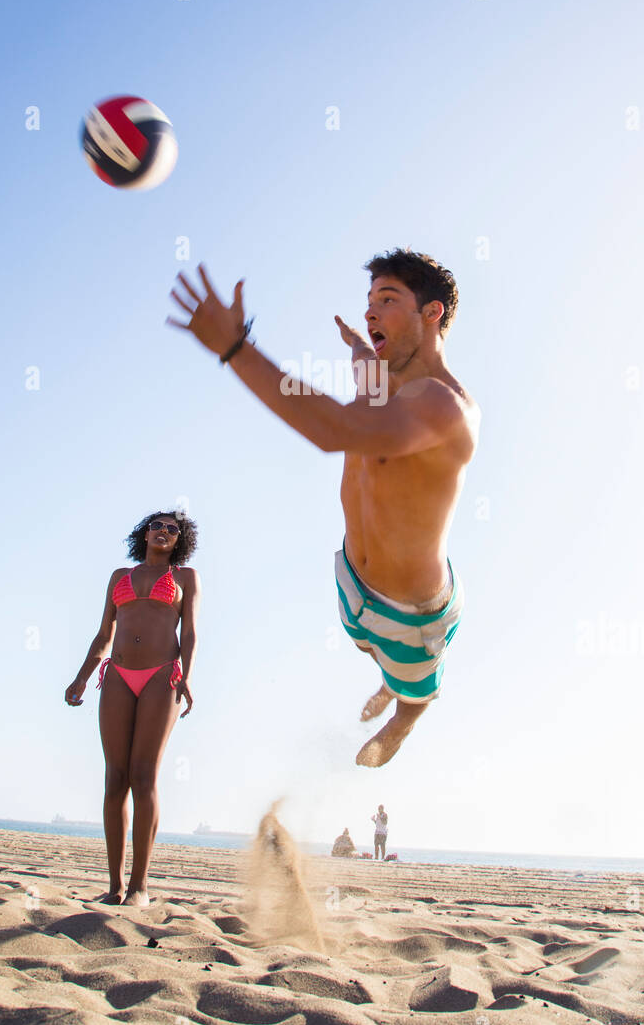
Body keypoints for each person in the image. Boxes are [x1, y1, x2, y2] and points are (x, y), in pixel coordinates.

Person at [167, 247, 479, 768]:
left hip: (411, 614)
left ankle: (402, 719)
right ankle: (383, 674)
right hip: (352, 581)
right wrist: (359, 347)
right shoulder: (379, 379)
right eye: (369, 301)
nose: (370, 311)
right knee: (361, 645)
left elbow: (333, 430)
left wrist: (235, 348)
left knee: (412, 694)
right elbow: (363, 367)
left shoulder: (443, 406)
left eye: (388, 299)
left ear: (432, 313)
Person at [64, 512, 200, 905]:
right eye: (158, 526)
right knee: (115, 779)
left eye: (173, 529)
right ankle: (114, 887)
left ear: (180, 540)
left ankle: (140, 887)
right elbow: (104, 632)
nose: (164, 531)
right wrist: (82, 677)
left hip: (162, 675)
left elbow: (189, 632)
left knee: (143, 777)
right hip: (118, 674)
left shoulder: (186, 577)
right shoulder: (118, 576)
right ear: (145, 533)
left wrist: (187, 675)